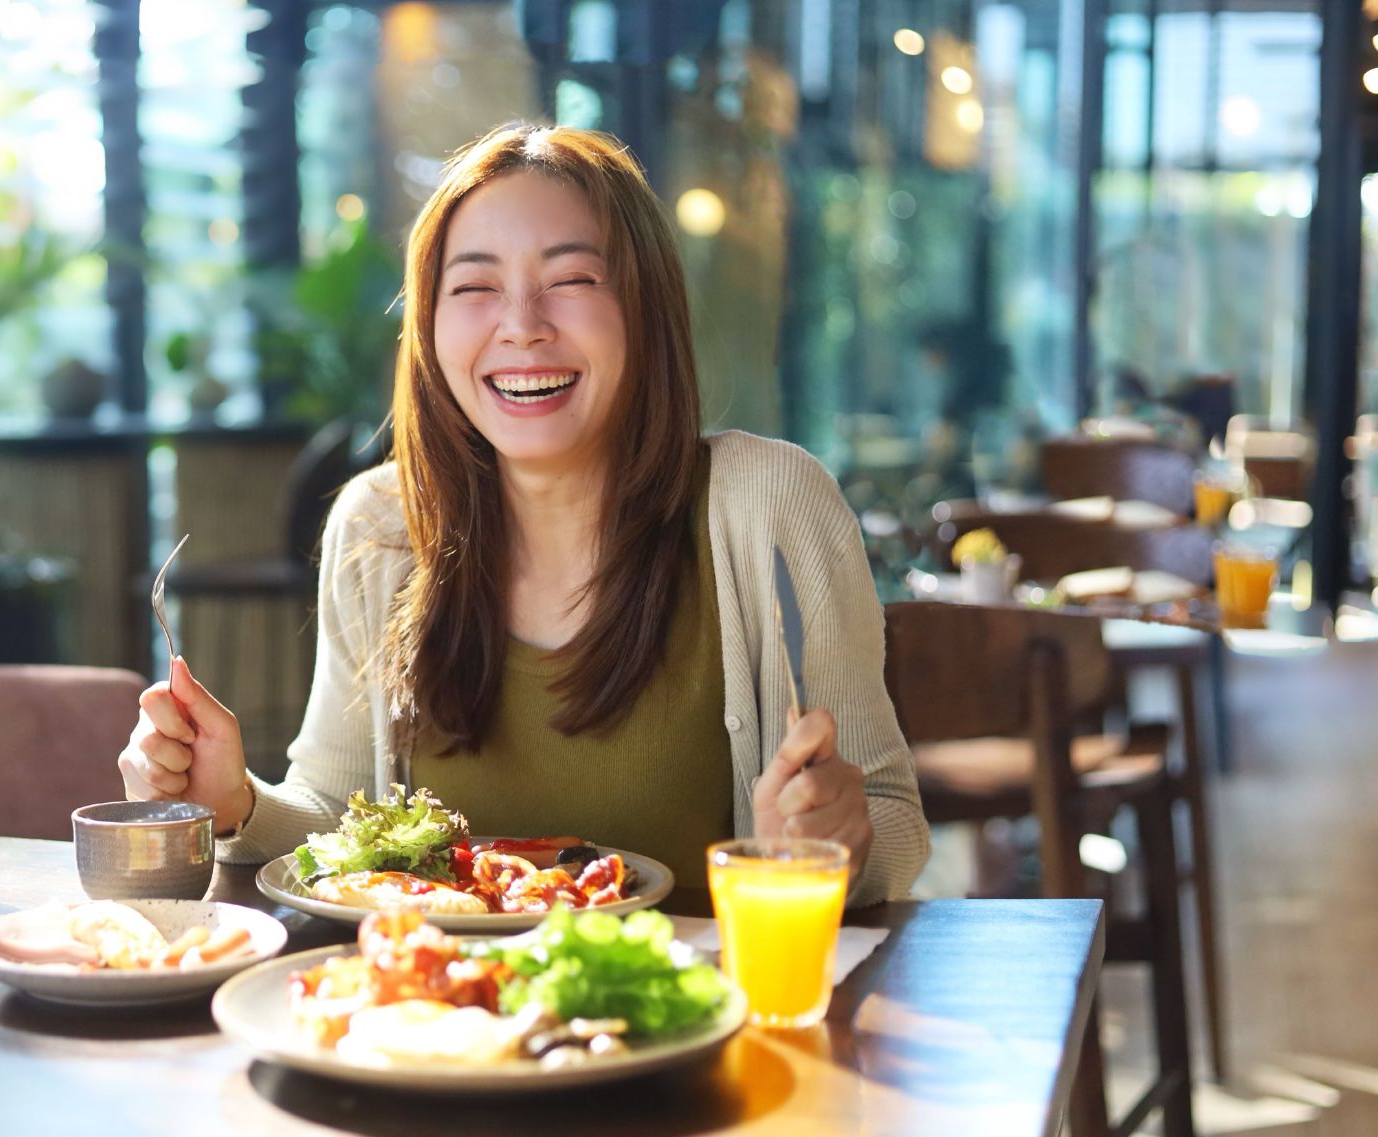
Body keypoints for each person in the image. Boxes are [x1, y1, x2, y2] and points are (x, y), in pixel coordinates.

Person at [119, 124, 929, 908]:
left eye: (571, 281)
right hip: (441, 1022)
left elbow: (890, 819)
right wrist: (234, 802)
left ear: (645, 308)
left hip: (688, 1017)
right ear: (429, 331)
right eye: (473, 288)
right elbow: (338, 815)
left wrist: (840, 837)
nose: (522, 326)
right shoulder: (380, 527)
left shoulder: (771, 503)